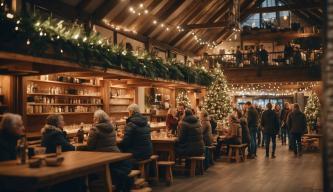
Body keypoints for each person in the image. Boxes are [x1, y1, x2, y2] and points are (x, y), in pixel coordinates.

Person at [87, 110, 132, 191]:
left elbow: (90, 146)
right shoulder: (111, 127)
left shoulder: (95, 129)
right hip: (115, 154)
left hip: (101, 157)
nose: (93, 119)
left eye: (94, 117)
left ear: (97, 118)